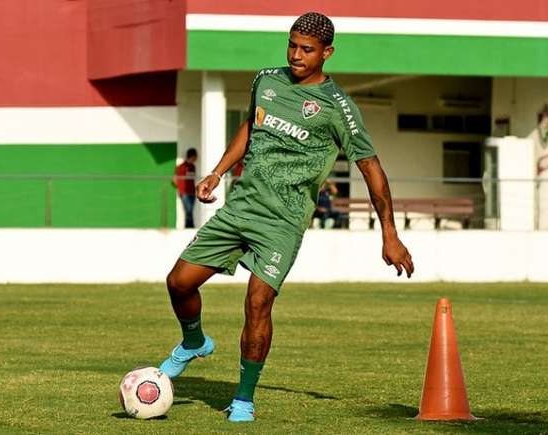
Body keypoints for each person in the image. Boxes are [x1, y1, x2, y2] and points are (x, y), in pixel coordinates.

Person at [158, 12, 414, 423]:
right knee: (178, 282)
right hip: (240, 208)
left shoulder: (338, 108)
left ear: (327, 53)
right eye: (292, 45)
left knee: (257, 304)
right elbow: (251, 126)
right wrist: (217, 172)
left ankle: (243, 398)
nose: (296, 55)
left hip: (283, 222)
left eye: (307, 49)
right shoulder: (266, 79)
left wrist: (389, 233)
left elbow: (371, 168)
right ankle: (193, 343)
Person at [174, 148, 197, 228]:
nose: (196, 159)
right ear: (191, 156)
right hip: (184, 193)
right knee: (188, 210)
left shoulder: (193, 167)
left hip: (192, 192)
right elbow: (175, 179)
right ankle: (189, 227)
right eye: (195, 157)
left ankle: (189, 226)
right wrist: (180, 189)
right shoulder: (181, 167)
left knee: (190, 210)